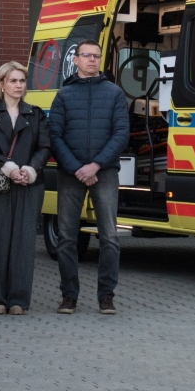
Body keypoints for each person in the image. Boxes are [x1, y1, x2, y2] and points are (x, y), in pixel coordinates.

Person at [48, 39, 128, 315]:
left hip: (104, 172)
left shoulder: (115, 94)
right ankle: (69, 296)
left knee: (109, 237)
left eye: (96, 55)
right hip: (70, 173)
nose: (92, 59)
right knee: (67, 238)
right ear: (76, 60)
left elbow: (121, 134)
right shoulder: (63, 95)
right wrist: (77, 168)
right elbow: (55, 136)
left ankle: (106, 297)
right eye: (86, 55)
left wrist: (95, 166)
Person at [0, 62, 50, 314]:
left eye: (22, 81)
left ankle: (18, 300)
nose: (19, 85)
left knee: (24, 241)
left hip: (29, 184)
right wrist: (7, 166)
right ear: (1, 84)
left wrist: (29, 170)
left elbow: (44, 147)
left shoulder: (36, 114)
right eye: (13, 81)